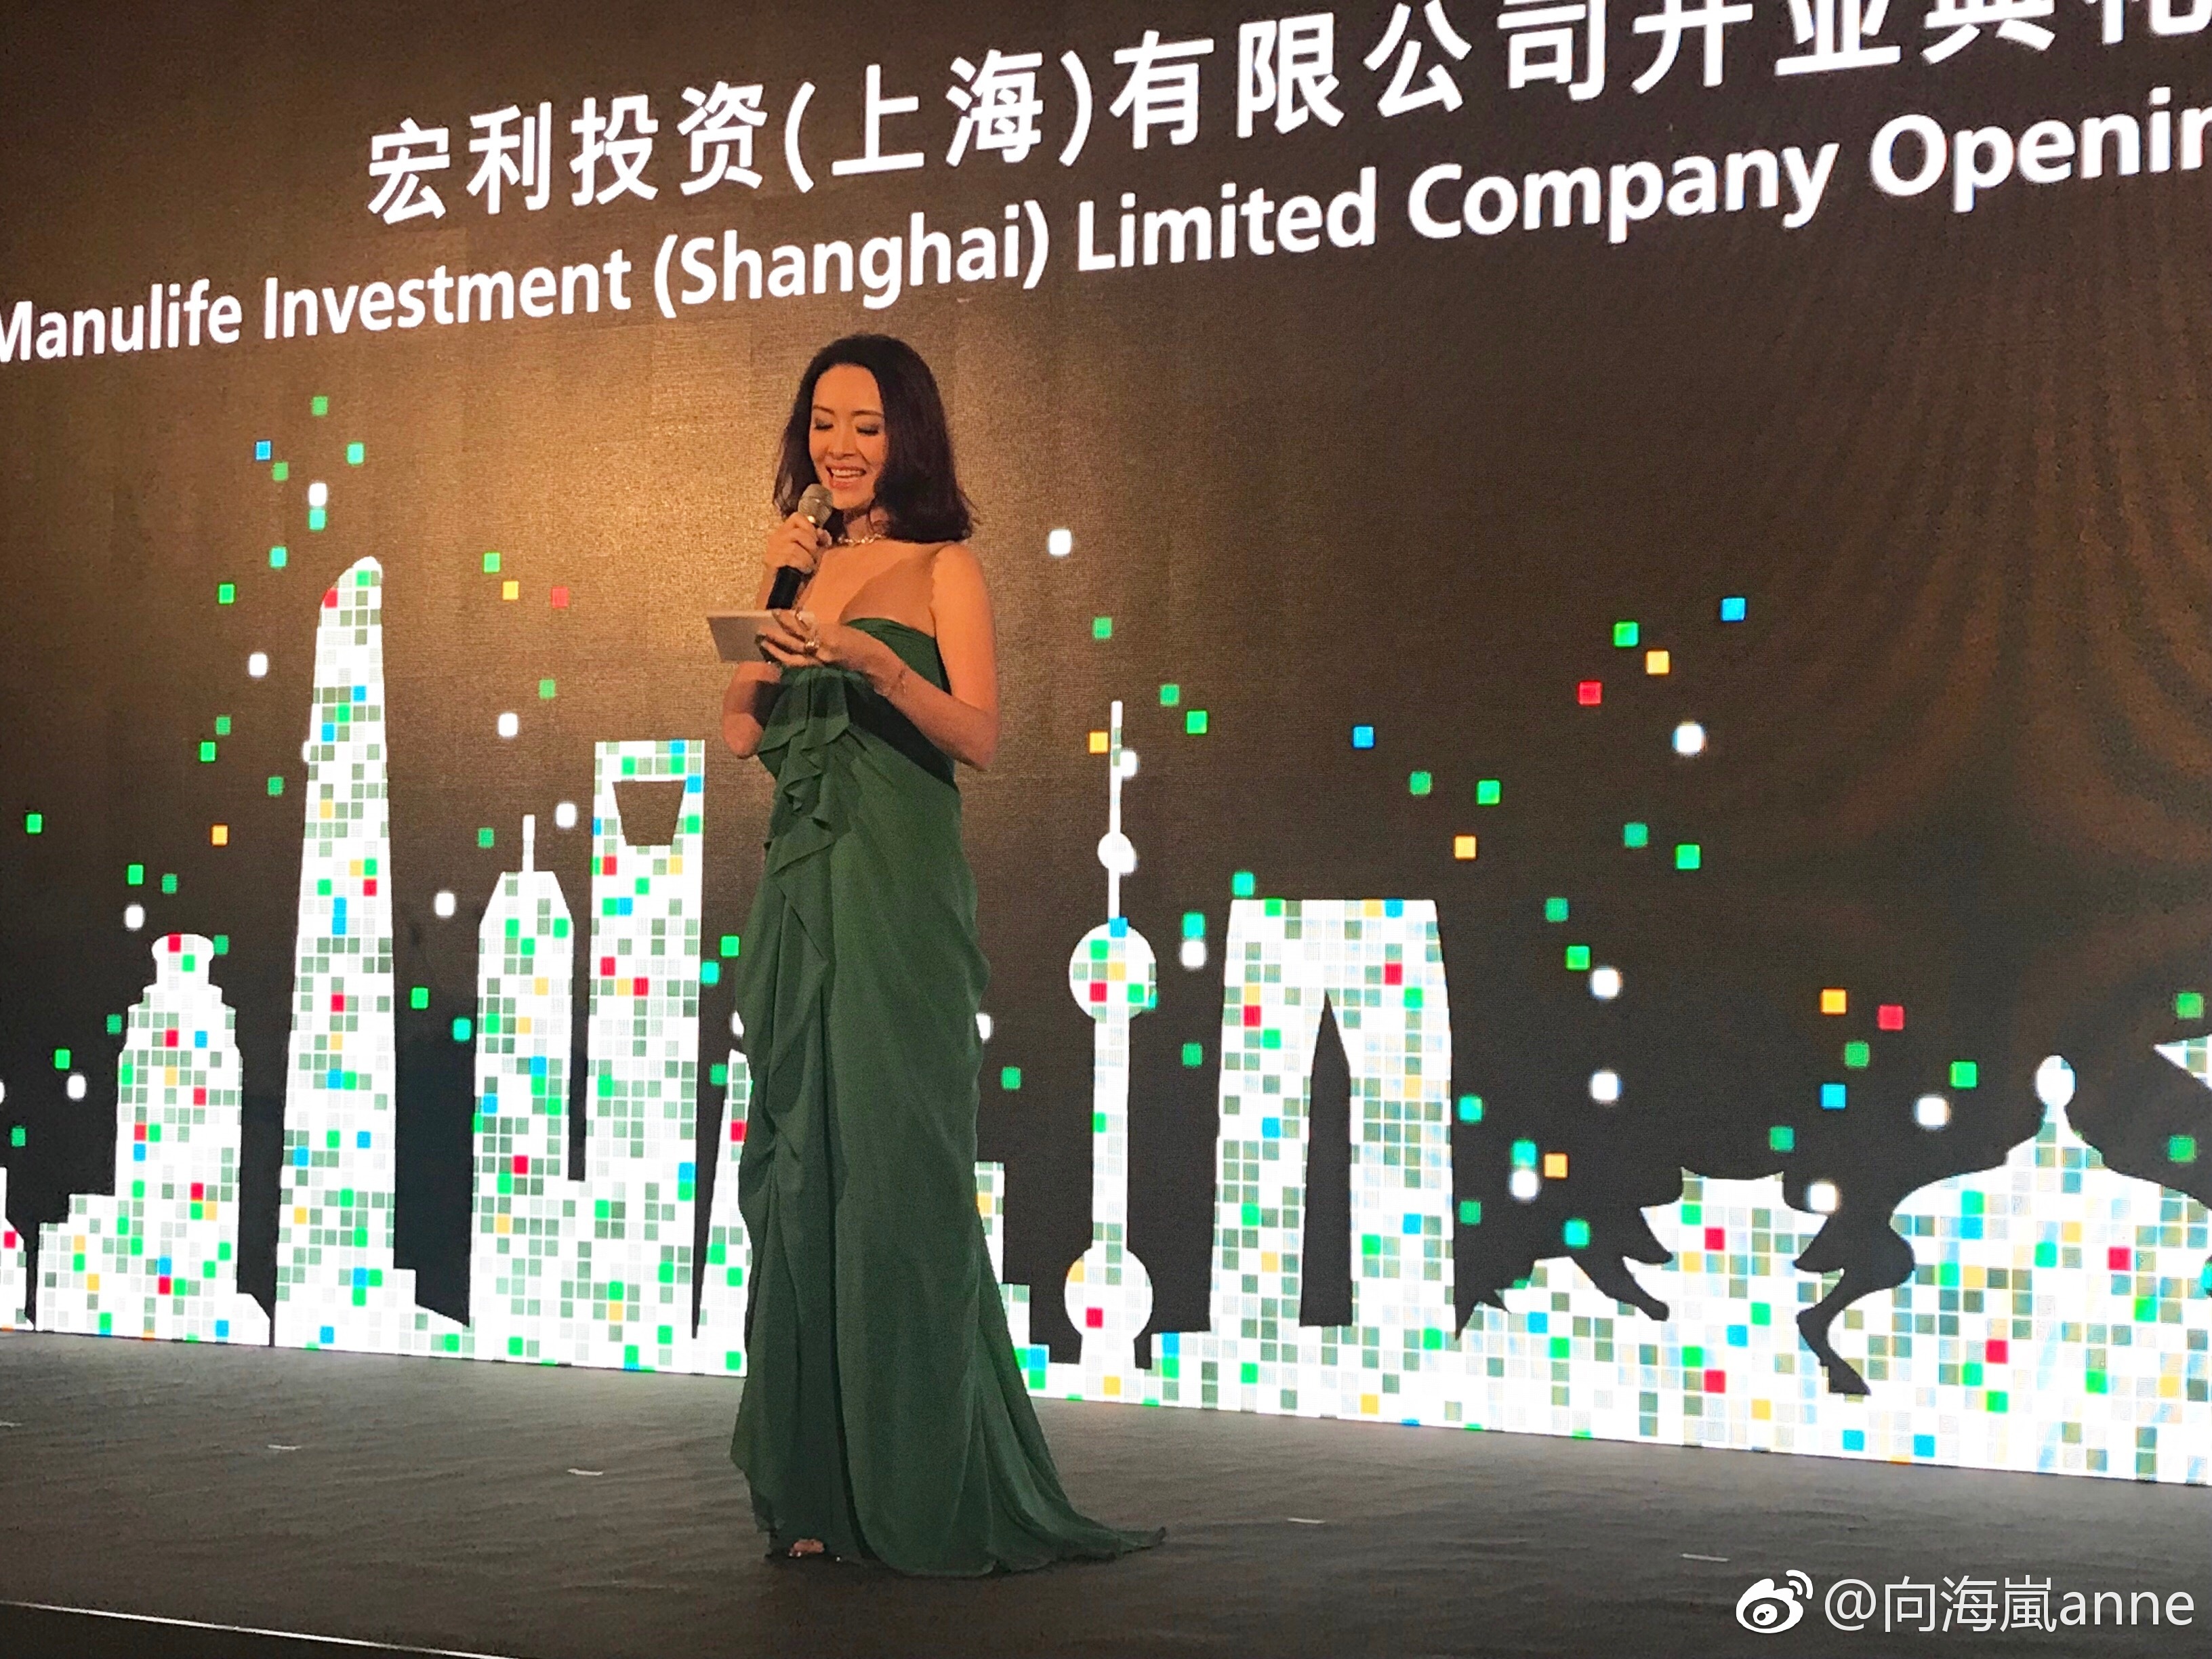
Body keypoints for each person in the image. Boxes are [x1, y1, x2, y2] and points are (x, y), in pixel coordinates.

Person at [720, 334, 1164, 1575]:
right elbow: (740, 733)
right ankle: (818, 1487)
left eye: (864, 426)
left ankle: (917, 1478)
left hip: (898, 894)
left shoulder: (945, 566)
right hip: (804, 891)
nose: (840, 448)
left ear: (905, 435)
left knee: (898, 1172)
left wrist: (874, 665)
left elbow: (980, 734)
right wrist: (777, 586)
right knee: (805, 1171)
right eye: (822, 424)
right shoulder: (799, 564)